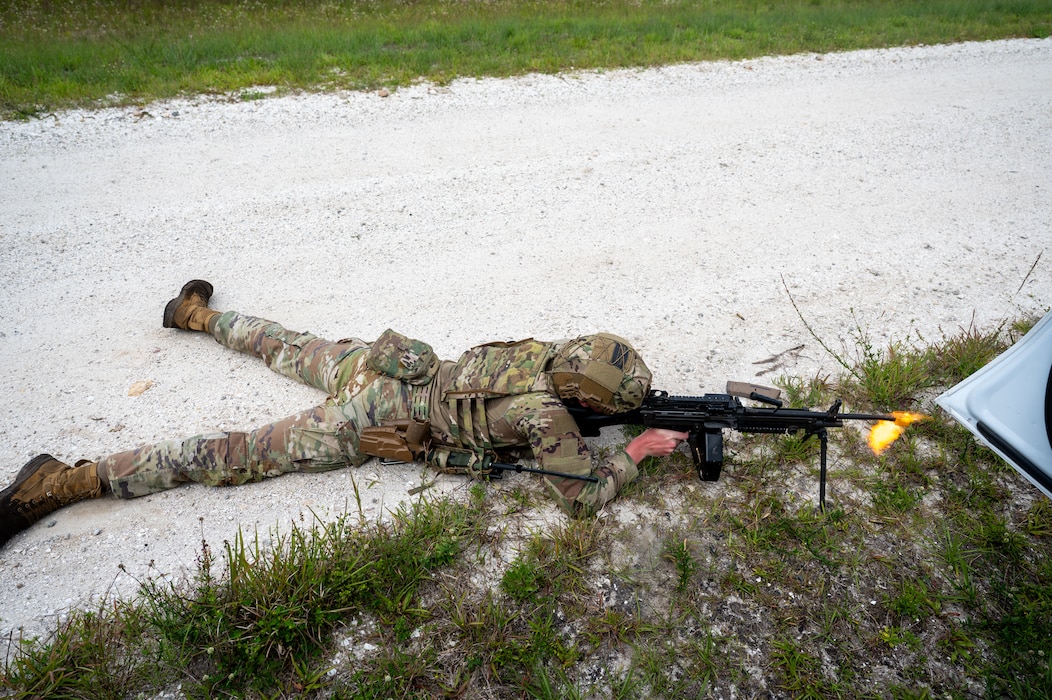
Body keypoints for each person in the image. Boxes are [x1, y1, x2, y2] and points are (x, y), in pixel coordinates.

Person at [0, 281, 688, 548]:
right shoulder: (551, 420)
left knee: (285, 343)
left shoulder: (539, 357)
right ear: (589, 400)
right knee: (230, 454)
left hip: (386, 363)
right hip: (368, 424)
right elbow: (581, 499)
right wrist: (636, 453)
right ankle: (64, 482)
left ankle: (195, 314)